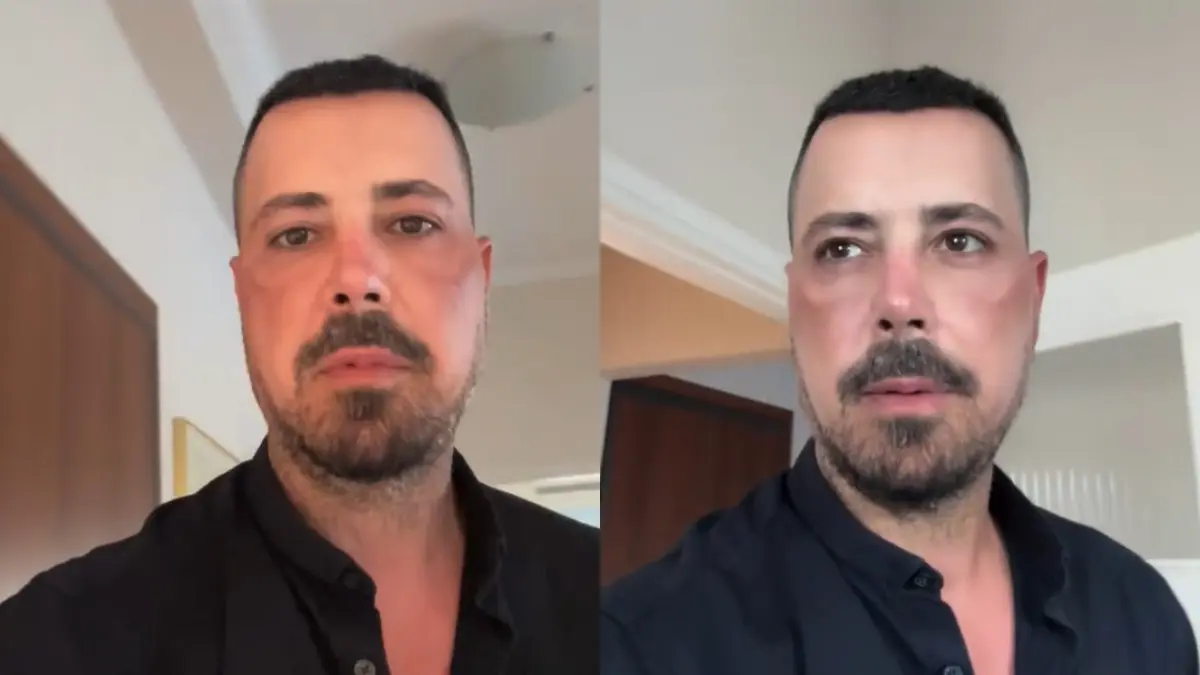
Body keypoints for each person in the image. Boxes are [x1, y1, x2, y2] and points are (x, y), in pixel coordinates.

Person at [0, 55, 598, 674]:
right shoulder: (53, 644)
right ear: (243, 294)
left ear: (482, 279)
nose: (357, 281)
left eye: (412, 223)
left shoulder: (611, 608)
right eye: (296, 235)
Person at [600, 66, 1197, 674]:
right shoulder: (637, 647)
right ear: (795, 306)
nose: (900, 303)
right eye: (842, 248)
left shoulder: (1143, 612)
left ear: (1033, 298)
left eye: (960, 241)